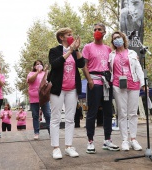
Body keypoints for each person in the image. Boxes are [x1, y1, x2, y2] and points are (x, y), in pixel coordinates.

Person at [82, 23, 120, 154]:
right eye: (95, 30)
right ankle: (90, 141)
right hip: (94, 82)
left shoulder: (108, 49)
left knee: (108, 112)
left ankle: (107, 140)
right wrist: (90, 80)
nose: (96, 31)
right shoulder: (87, 47)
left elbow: (112, 66)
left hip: (106, 83)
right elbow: (84, 66)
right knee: (92, 112)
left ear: (104, 32)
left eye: (99, 30)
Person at [48, 27, 85, 159]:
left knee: (70, 119)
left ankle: (69, 146)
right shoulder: (54, 51)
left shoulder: (74, 52)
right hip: (57, 90)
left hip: (72, 89)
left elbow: (81, 64)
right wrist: (70, 51)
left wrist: (77, 50)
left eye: (72, 34)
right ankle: (56, 148)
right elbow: (56, 64)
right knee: (56, 118)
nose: (71, 37)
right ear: (61, 37)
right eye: (69, 35)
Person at [109, 31, 144, 151]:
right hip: (118, 85)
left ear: (123, 39)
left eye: (118, 37)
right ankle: (125, 140)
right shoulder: (111, 54)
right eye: (114, 39)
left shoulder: (132, 53)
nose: (117, 40)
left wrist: (143, 83)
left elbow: (138, 68)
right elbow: (109, 68)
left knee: (133, 113)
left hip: (133, 84)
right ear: (112, 42)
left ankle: (133, 139)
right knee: (122, 113)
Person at [27, 60, 51, 139]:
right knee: (35, 116)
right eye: (37, 64)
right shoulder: (31, 73)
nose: (39, 65)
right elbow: (30, 80)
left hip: (44, 97)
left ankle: (51, 131)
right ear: (34, 66)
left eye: (40, 64)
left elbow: (49, 82)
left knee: (47, 114)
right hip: (34, 98)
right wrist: (37, 72)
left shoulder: (45, 73)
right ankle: (36, 132)